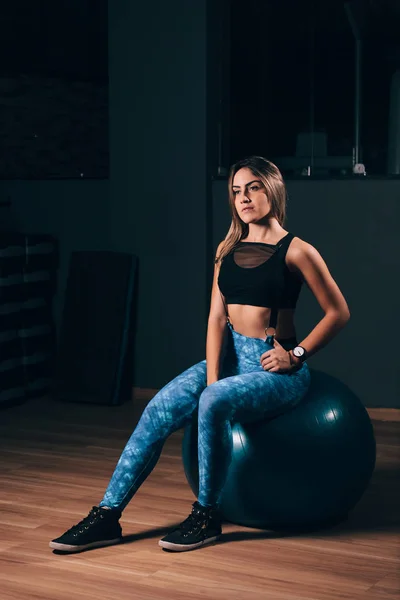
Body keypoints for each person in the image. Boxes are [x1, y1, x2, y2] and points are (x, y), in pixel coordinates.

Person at [49, 156, 350, 554]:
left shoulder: (297, 251)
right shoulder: (227, 249)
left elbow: (338, 312)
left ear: (273, 190)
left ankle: (207, 516)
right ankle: (107, 516)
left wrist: (296, 355)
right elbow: (215, 319)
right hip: (229, 360)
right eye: (237, 191)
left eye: (253, 187)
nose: (244, 198)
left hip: (274, 370)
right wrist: (213, 379)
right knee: (157, 410)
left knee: (213, 399)